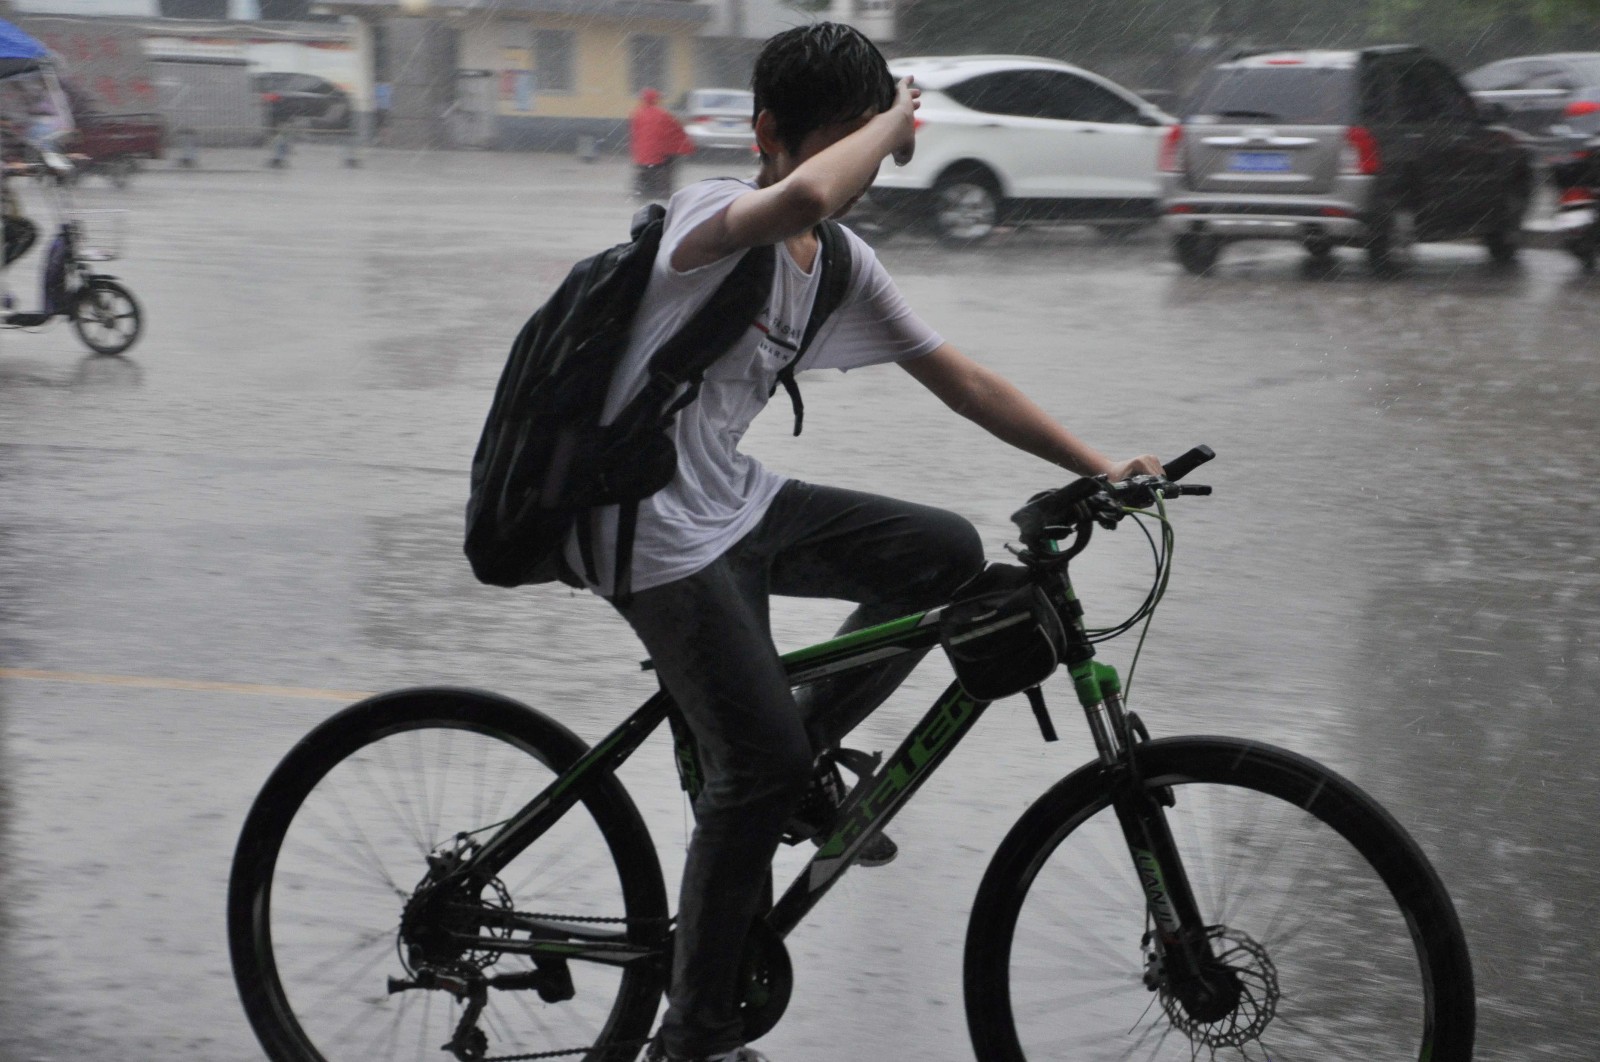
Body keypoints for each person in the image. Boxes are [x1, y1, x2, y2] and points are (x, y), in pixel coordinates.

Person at [576, 23, 1162, 1062]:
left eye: (873, 138)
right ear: (768, 131)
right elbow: (798, 195)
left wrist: (1100, 464)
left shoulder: (837, 262)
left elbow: (964, 380)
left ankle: (797, 758)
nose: (866, 166)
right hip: (644, 525)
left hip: (729, 505)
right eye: (847, 140)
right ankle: (693, 1040)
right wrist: (891, 120)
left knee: (941, 554)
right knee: (746, 775)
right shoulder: (715, 218)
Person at [629, 87, 695, 201]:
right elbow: (676, 131)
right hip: (659, 153)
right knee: (664, 171)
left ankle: (642, 192)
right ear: (656, 100)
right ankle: (663, 193)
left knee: (644, 172)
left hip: (643, 154)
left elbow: (635, 133)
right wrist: (686, 147)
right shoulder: (663, 114)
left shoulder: (638, 114)